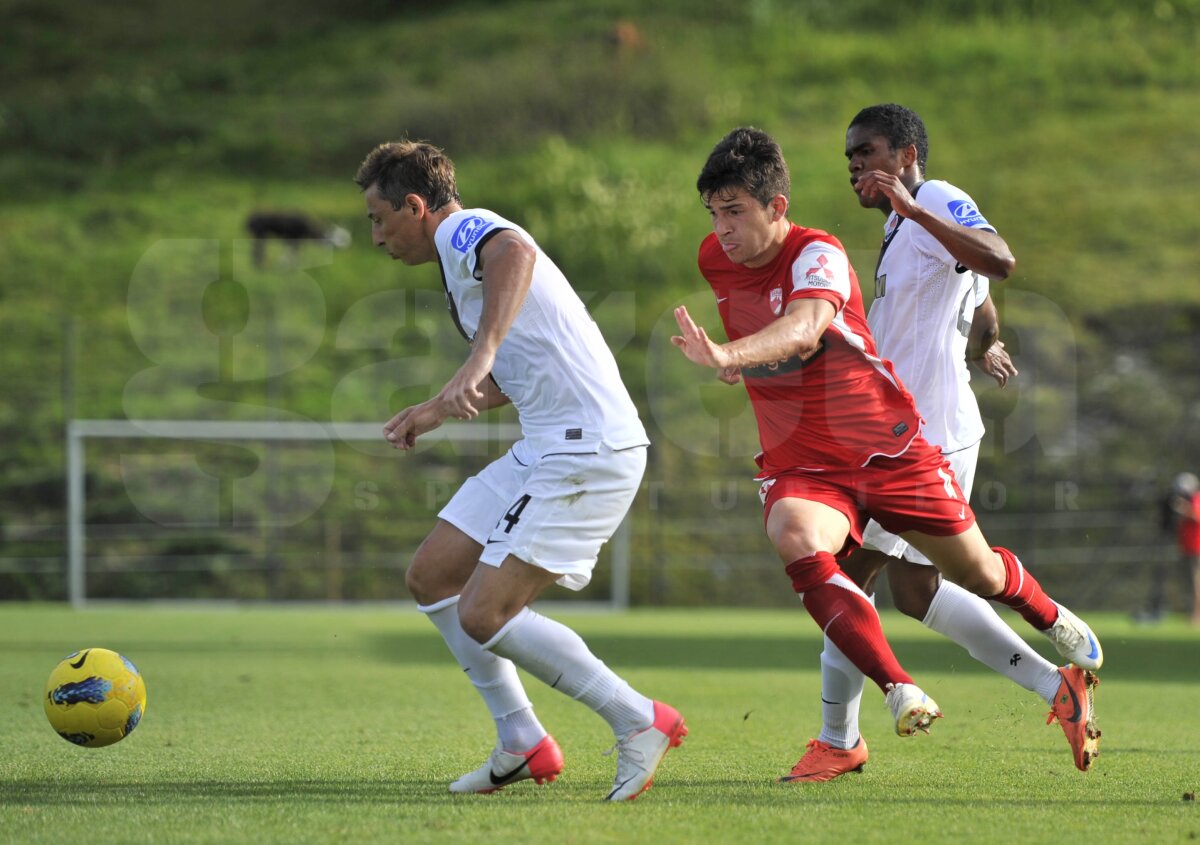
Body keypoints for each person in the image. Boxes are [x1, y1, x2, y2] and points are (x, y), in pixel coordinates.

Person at [670, 126, 1103, 780]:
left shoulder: (903, 218)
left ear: (905, 156)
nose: (855, 170)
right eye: (848, 159)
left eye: (866, 155)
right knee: (863, 570)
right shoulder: (890, 234)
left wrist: (735, 354)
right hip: (821, 456)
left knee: (942, 579)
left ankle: (1043, 639)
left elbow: (991, 263)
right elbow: (977, 303)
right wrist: (988, 341)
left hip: (910, 435)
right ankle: (877, 713)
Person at [355, 140, 685, 801]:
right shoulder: (455, 259)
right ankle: (522, 740)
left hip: (587, 448)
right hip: (546, 443)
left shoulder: (466, 229)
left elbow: (517, 253)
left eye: (378, 217)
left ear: (416, 207)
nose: (375, 235)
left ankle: (638, 718)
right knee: (433, 574)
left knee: (485, 611)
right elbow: (529, 360)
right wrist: (436, 407)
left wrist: (477, 360)